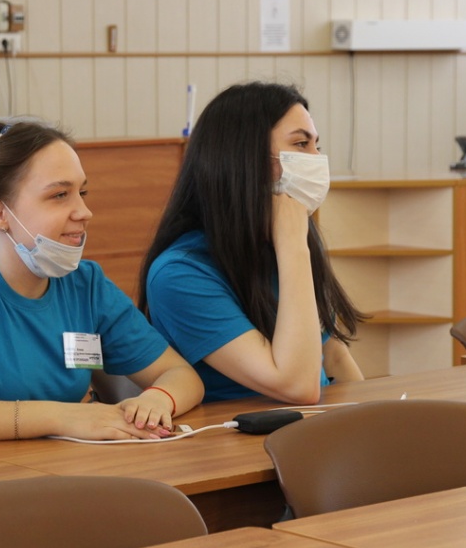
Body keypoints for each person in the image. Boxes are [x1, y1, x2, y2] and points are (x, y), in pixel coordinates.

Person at [0, 121, 203, 444]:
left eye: (82, 193)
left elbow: (181, 375)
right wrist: (63, 417)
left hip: (43, 464)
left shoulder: (86, 284)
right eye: (60, 195)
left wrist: (157, 399)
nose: (84, 211)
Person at [139, 81, 366, 406]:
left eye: (316, 145)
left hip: (311, 426)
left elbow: (334, 356)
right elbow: (296, 387)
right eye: (301, 144)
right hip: (243, 435)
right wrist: (293, 247)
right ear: (245, 159)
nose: (317, 159)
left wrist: (373, 419)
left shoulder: (283, 239)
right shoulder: (179, 274)